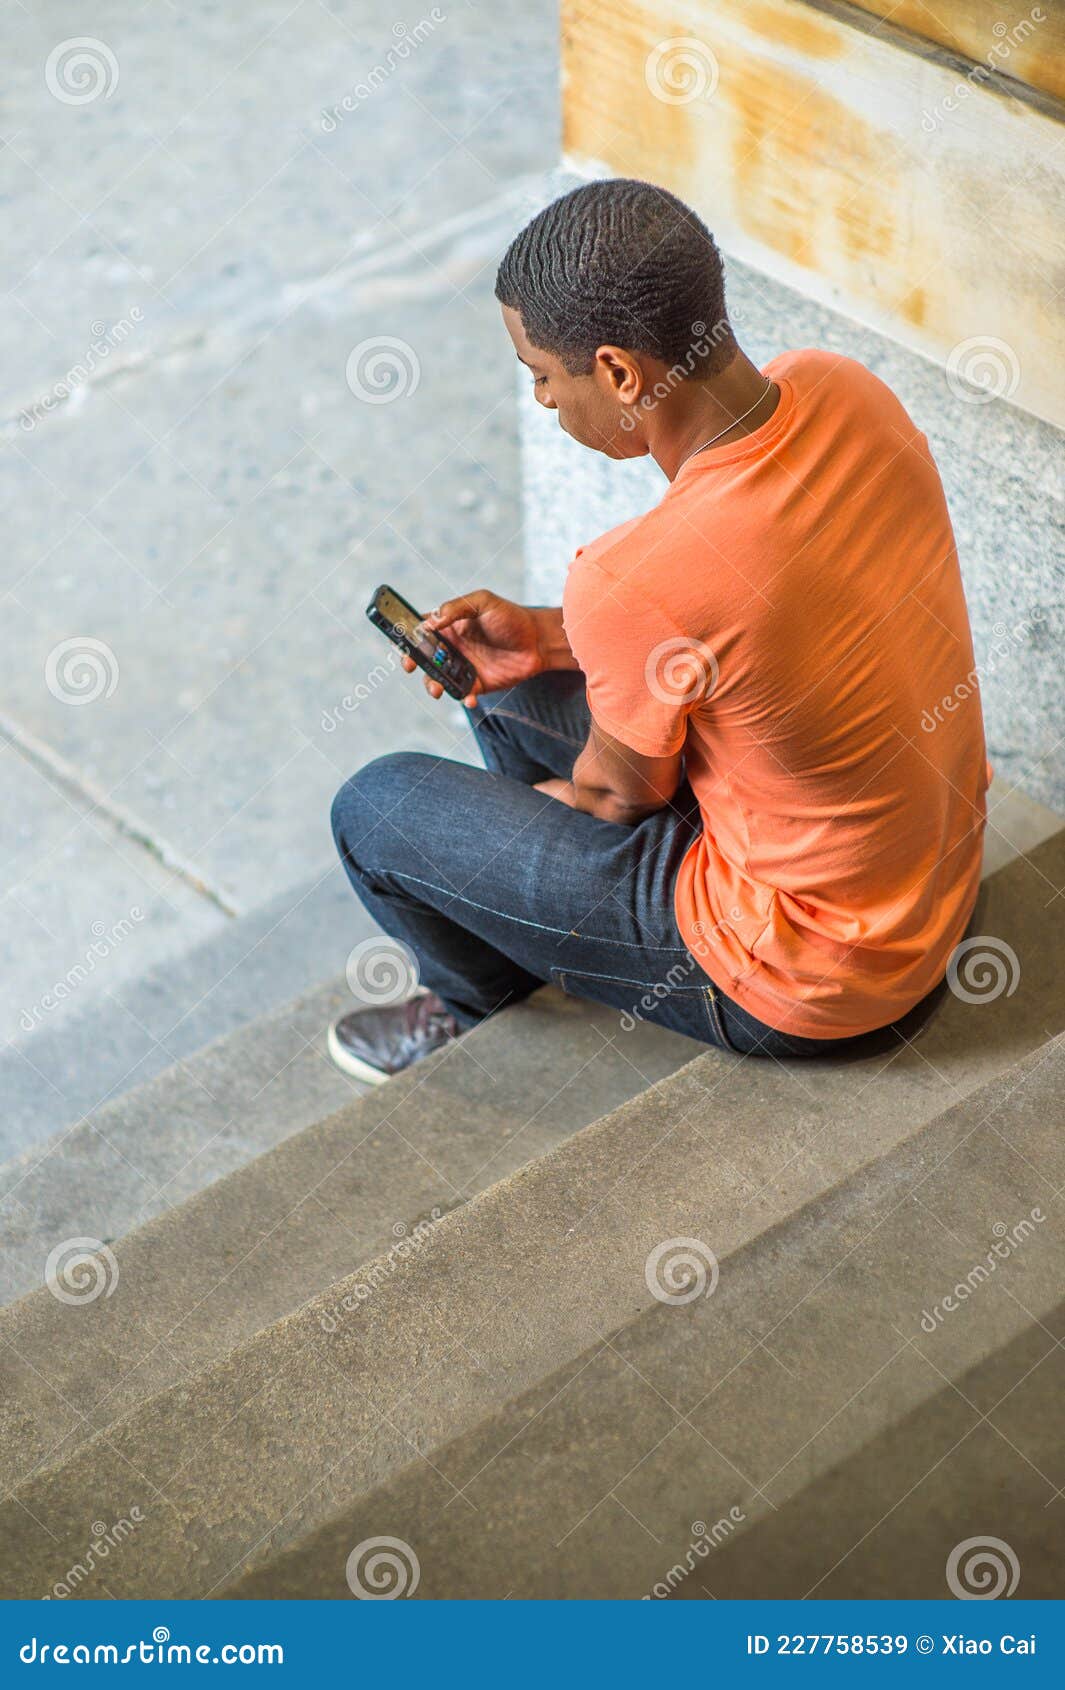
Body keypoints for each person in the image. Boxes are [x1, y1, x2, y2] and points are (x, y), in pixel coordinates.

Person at [327, 177, 989, 1084]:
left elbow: (612, 800)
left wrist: (545, 814)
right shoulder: (844, 389)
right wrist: (548, 640)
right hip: (933, 885)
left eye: (543, 377)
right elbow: (743, 622)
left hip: (812, 980)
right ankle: (550, 930)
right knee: (509, 688)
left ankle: (480, 1006)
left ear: (619, 372)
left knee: (376, 808)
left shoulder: (634, 577)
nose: (544, 405)